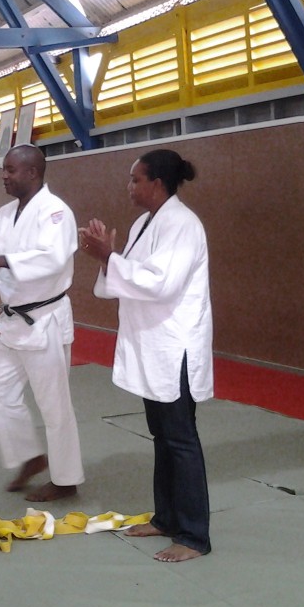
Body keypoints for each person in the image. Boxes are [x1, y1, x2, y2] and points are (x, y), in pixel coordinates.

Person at [79, 148, 213, 562]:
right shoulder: (144, 223)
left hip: (176, 348)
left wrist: (109, 257)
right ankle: (167, 518)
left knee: (181, 438)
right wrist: (109, 258)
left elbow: (161, 284)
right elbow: (125, 280)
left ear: (157, 184)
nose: (130, 186)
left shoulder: (183, 225)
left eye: (135, 179)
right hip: (152, 346)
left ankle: (194, 536)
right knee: (162, 435)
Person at [0, 144, 84, 502]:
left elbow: (52, 258)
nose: (4, 176)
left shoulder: (55, 212)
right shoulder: (6, 213)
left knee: (54, 405)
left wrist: (2, 262)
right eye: (4, 170)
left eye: (10, 170)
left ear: (32, 172)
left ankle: (66, 479)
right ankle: (30, 457)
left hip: (44, 320)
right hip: (11, 321)